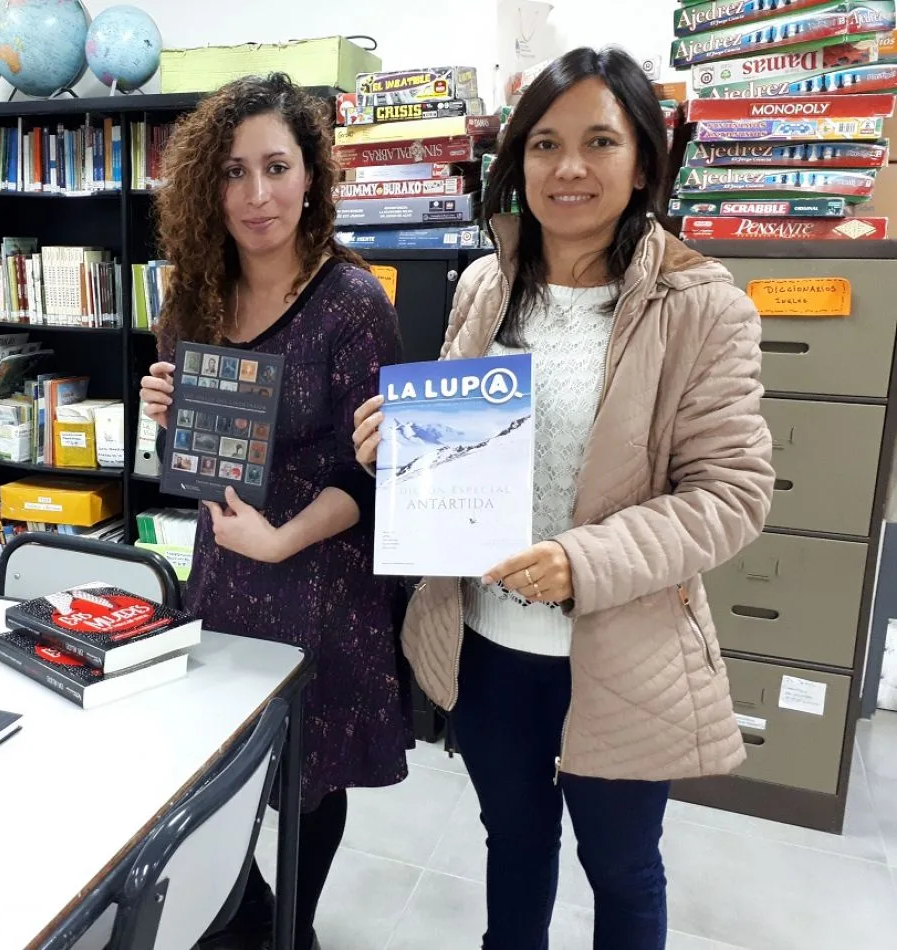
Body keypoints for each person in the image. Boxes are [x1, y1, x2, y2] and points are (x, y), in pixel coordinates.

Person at [351, 47, 774, 950]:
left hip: (622, 654)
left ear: (643, 163)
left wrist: (581, 562)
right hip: (488, 646)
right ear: (516, 162)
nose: (568, 168)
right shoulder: (482, 284)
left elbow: (730, 495)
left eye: (597, 142)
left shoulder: (701, 307)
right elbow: (457, 450)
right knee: (513, 841)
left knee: (621, 869)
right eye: (543, 144)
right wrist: (397, 450)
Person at [138, 72, 412, 950]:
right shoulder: (193, 299)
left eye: (276, 167)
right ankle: (258, 924)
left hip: (318, 584)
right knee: (215, 779)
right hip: (224, 576)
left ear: (311, 176)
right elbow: (196, 455)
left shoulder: (353, 305)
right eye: (231, 172)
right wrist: (162, 410)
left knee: (307, 783)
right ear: (203, 188)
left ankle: (292, 927)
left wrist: (282, 537)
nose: (256, 195)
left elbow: (372, 473)